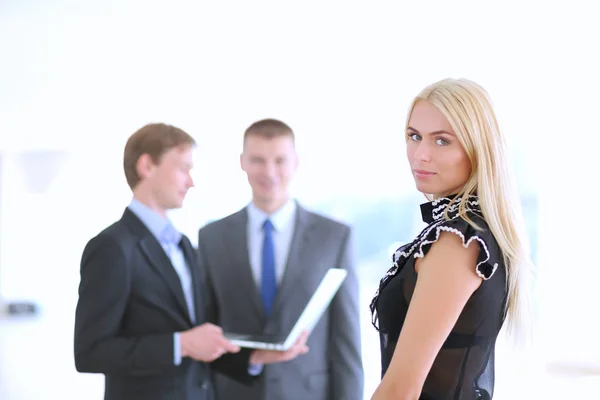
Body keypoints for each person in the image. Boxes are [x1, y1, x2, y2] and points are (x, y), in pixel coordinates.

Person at [73, 123, 307, 400]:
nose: (191, 181)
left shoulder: (184, 245)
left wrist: (255, 356)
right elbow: (91, 352)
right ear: (147, 166)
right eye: (183, 168)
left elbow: (198, 343)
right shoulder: (112, 247)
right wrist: (179, 345)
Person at [369, 79, 532, 400]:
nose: (421, 155)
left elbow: (400, 389)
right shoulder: (472, 233)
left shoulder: (458, 240)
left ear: (478, 148)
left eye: (442, 141)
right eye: (414, 136)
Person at [196, 118, 364, 400]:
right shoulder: (211, 237)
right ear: (242, 162)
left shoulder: (334, 237)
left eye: (280, 160)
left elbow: (346, 342)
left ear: (295, 162)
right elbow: (206, 331)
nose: (269, 171)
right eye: (258, 160)